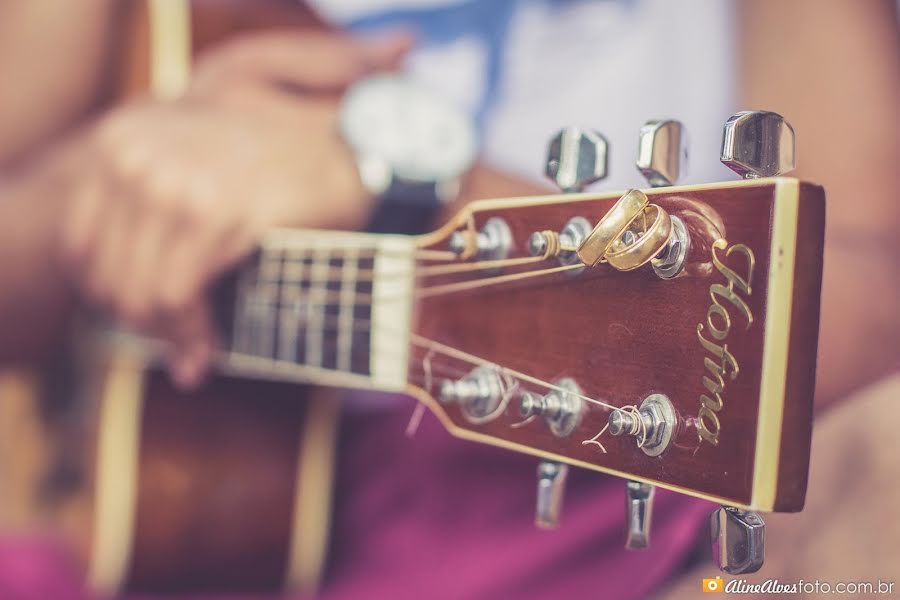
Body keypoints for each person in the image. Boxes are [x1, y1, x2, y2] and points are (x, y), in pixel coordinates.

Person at [0, 1, 897, 598]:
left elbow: (866, 330)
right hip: (205, 523)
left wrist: (409, 173)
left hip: (643, 523)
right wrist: (114, 177)